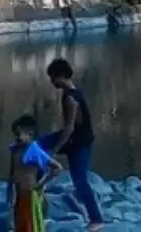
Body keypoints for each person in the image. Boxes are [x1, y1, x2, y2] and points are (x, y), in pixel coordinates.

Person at [40, 58, 103, 231]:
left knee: (80, 181)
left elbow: (69, 129)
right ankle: (38, 183)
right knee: (37, 146)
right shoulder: (72, 92)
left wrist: (55, 151)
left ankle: (96, 219)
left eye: (53, 78)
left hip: (78, 142)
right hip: (75, 138)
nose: (52, 82)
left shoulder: (71, 99)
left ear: (60, 76)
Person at [7, 114, 62, 232]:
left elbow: (57, 168)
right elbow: (11, 174)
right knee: (20, 224)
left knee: (31, 225)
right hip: (19, 194)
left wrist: (41, 184)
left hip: (31, 193)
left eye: (18, 134)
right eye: (15, 135)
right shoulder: (15, 150)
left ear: (30, 134)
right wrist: (10, 193)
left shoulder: (35, 151)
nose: (16, 138)